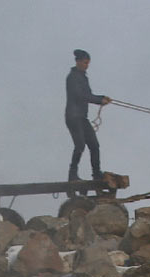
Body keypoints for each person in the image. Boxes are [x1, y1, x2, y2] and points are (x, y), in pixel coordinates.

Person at [65, 48, 110, 182]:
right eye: (85, 63)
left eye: (88, 63)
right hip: (73, 117)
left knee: (94, 145)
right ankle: (72, 175)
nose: (87, 65)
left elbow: (88, 95)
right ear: (78, 62)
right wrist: (99, 100)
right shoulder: (73, 77)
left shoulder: (82, 77)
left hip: (82, 117)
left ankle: (96, 173)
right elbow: (81, 95)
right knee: (80, 145)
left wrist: (101, 98)